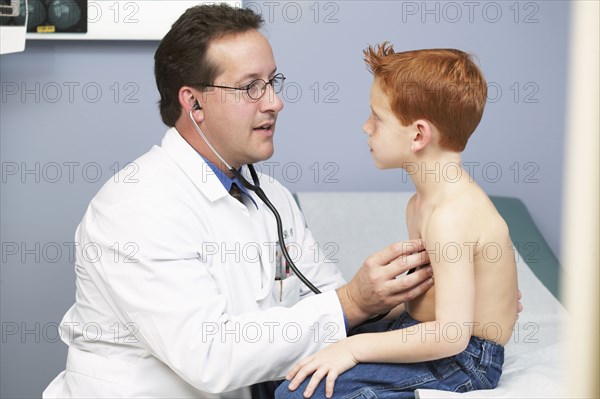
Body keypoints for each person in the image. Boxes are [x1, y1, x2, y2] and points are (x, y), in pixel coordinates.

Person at [42, 6, 436, 399]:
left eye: (272, 81)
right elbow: (210, 357)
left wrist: (394, 299)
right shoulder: (136, 206)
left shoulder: (271, 198)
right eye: (251, 87)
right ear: (194, 104)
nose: (274, 102)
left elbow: (325, 296)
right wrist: (351, 302)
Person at [275, 44, 520, 399]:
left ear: (418, 135)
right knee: (294, 362)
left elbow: (452, 334)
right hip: (423, 332)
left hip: (464, 360)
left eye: (377, 117)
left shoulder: (450, 216)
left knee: (296, 393)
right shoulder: (420, 204)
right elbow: (429, 296)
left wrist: (353, 349)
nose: (365, 127)